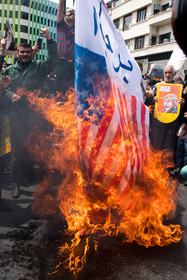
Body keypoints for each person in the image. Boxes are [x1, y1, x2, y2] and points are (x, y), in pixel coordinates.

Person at [0, 28, 58, 199]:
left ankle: (45, 186)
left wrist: (49, 40)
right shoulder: (9, 71)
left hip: (36, 116)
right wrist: (10, 94)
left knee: (40, 150)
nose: (24, 54)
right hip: (17, 117)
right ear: (17, 53)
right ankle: (15, 184)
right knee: (17, 152)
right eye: (21, 52)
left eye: (27, 52)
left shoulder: (40, 67)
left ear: (31, 53)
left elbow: (53, 60)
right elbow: (2, 88)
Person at [149, 65, 185, 161]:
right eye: (166, 73)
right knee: (157, 144)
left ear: (174, 74)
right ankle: (156, 164)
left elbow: (181, 107)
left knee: (169, 146)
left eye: (169, 72)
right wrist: (154, 99)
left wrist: (182, 103)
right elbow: (151, 101)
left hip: (172, 123)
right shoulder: (158, 86)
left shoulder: (179, 87)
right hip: (158, 122)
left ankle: (167, 167)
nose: (167, 75)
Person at [56, 0, 75, 96]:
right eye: (69, 12)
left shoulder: (78, 27)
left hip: (74, 63)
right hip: (61, 62)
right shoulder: (60, 25)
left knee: (73, 91)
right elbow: (61, 7)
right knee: (59, 91)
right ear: (64, 16)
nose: (72, 13)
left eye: (74, 12)